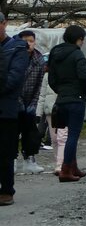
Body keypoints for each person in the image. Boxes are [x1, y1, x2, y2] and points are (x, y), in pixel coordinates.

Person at [47, 25, 86, 183]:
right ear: (77, 39)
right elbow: (84, 76)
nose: (83, 42)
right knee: (73, 135)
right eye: (82, 39)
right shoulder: (77, 54)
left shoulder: (55, 53)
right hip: (76, 98)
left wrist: (60, 90)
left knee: (65, 133)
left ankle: (73, 166)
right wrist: (85, 93)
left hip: (61, 99)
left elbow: (51, 78)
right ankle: (66, 169)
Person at [0, 11, 32, 206]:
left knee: (5, 152)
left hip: (7, 109)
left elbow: (14, 79)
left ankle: (6, 189)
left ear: (5, 23)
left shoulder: (17, 48)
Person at [15, 30, 44, 175]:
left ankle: (30, 160)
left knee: (31, 133)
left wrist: (33, 103)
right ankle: (12, 161)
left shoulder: (39, 59)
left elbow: (39, 84)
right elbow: (12, 81)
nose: (28, 44)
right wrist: (18, 102)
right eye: (25, 40)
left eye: (31, 41)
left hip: (30, 101)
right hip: (13, 102)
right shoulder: (13, 56)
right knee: (12, 133)